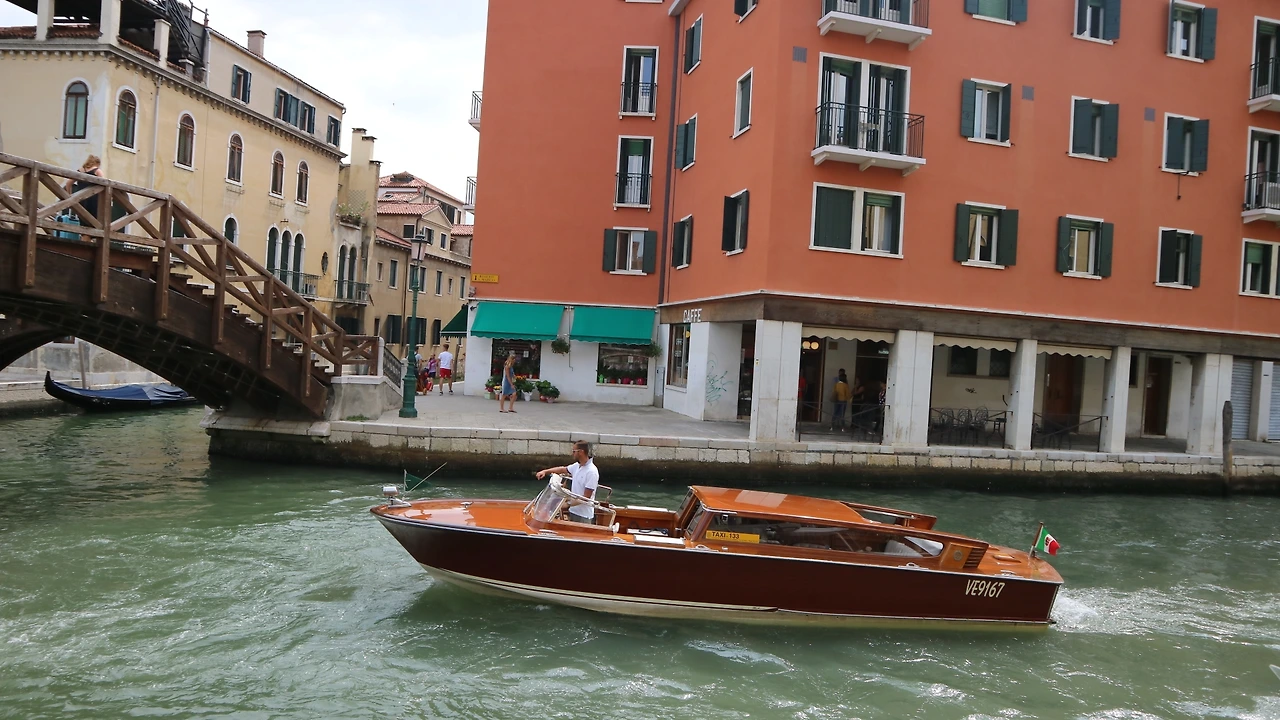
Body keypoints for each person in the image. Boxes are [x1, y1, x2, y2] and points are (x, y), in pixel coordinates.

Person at [535, 440, 599, 524]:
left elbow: (586, 497)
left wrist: (567, 504)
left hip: (583, 515)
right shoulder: (577, 466)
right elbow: (562, 469)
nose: (572, 454)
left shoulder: (592, 472)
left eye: (574, 451)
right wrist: (545, 471)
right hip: (573, 510)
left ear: (581, 452)